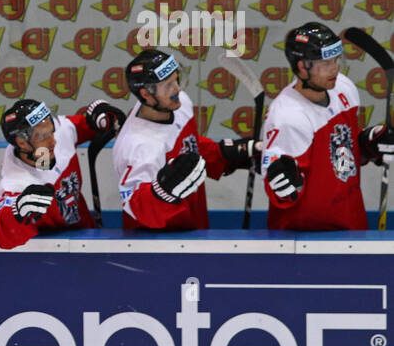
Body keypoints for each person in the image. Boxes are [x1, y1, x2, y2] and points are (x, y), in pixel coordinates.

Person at [260, 22, 392, 231]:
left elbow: (345, 151)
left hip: (351, 223)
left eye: (335, 59)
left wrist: (370, 142)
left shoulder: (343, 87)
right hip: (307, 241)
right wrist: (283, 181)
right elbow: (282, 191)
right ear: (302, 67)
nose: (334, 68)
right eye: (324, 63)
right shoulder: (288, 117)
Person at [113, 50, 258, 230]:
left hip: (192, 222)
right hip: (158, 242)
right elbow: (134, 204)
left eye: (176, 79)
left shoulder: (177, 105)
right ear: (146, 94)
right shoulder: (138, 146)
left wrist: (225, 153)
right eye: (168, 85)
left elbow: (188, 144)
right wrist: (161, 192)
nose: (177, 89)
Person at [0, 98, 125, 250]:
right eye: (42, 136)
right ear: (22, 143)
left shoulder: (54, 134)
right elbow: (4, 236)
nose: (53, 141)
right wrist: (17, 212)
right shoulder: (16, 182)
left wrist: (102, 118)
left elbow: (86, 125)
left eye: (51, 131)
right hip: (51, 255)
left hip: (86, 234)